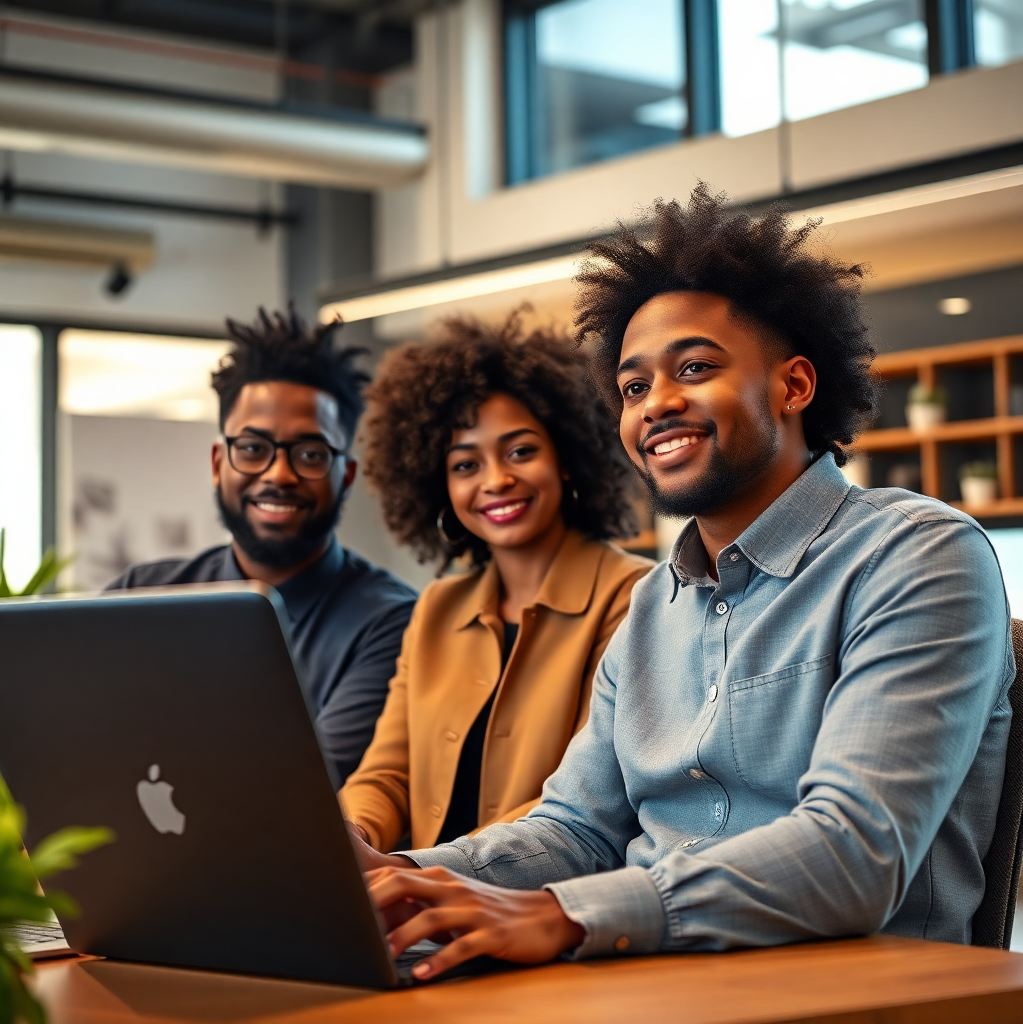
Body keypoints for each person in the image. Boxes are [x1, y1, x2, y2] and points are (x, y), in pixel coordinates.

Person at [355, 185, 1014, 979]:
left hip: (855, 988)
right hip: (654, 974)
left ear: (794, 386)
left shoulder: (917, 555)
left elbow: (855, 854)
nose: (656, 405)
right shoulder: (652, 608)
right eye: (633, 388)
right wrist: (404, 879)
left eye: (694, 368)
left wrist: (568, 914)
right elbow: (576, 830)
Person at [340, 316, 652, 853]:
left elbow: (587, 798)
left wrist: (425, 872)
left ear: (568, 460)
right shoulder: (439, 608)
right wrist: (351, 835)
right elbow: (388, 773)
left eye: (520, 451)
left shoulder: (631, 596)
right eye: (465, 464)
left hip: (534, 903)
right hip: (420, 901)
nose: (495, 480)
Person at [106, 308, 417, 787]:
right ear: (218, 462)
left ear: (347, 476)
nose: (278, 474)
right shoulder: (140, 594)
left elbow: (298, 789)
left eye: (310, 454)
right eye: (252, 448)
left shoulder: (390, 624)